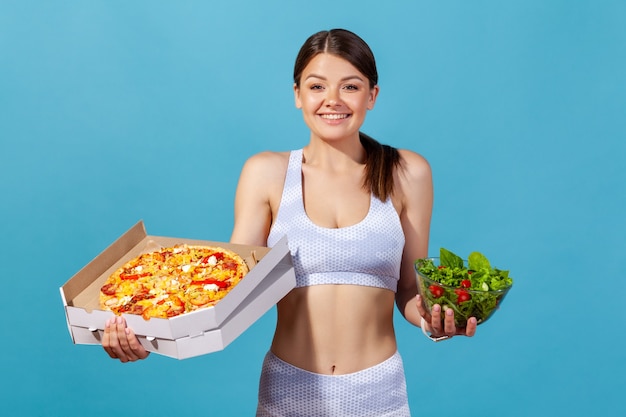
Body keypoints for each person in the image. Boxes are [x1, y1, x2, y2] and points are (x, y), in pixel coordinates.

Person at [102, 28, 477, 416]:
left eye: (350, 87)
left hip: (378, 395)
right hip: (288, 394)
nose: (332, 100)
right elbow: (230, 292)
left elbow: (410, 290)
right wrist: (149, 336)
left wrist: (435, 319)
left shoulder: (407, 173)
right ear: (297, 94)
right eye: (317, 87)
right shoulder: (266, 173)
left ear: (372, 96)